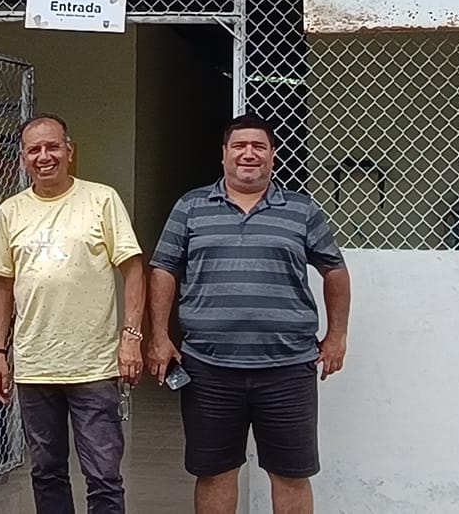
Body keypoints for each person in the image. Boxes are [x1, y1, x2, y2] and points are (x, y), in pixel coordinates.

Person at [147, 113, 350, 514]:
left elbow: (335, 270)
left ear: (273, 155)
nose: (249, 154)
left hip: (288, 369)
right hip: (208, 368)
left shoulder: (301, 209)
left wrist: (337, 336)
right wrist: (159, 336)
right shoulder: (191, 207)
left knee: (291, 475)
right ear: (223, 154)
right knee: (215, 472)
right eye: (239, 146)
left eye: (259, 146)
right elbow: (164, 269)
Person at [0, 114, 145, 514]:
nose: (44, 156)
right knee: (46, 472)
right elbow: (1, 285)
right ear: (23, 158)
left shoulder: (101, 199)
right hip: (35, 366)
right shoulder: (10, 212)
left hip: (94, 366)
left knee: (104, 476)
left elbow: (133, 269)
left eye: (53, 147)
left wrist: (131, 337)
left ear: (69, 152)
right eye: (34, 150)